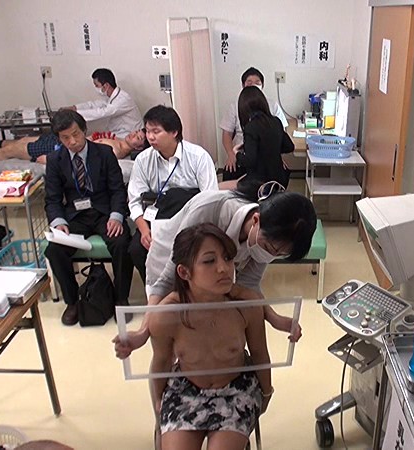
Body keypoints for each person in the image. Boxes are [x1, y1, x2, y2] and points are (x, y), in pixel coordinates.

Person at [113, 179, 316, 357]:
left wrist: (273, 318)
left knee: (202, 341)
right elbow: (166, 280)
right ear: (256, 220)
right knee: (172, 343)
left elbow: (249, 286)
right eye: (270, 248)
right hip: (168, 257)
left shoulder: (266, 237)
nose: (270, 255)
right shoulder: (210, 210)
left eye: (279, 254)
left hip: (205, 283)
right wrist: (142, 332)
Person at [151, 223, 271, 450]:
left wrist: (266, 391)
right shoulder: (168, 314)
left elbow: (259, 352)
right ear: (184, 272)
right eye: (209, 261)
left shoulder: (246, 305)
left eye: (227, 259)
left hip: (236, 389)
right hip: (185, 389)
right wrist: (158, 402)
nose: (224, 268)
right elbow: (161, 361)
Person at [43, 110, 134, 326]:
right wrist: (59, 223)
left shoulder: (104, 153)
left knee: (122, 242)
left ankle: (121, 299)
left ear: (84, 130)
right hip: (75, 216)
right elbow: (52, 199)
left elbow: (117, 190)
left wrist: (116, 216)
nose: (72, 141)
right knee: (54, 250)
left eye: (75, 134)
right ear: (59, 139)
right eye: (65, 138)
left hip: (104, 212)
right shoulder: (55, 160)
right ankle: (72, 301)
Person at [128, 105, 218, 284]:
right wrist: (144, 231)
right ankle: (156, 290)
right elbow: (135, 201)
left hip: (190, 220)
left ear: (174, 132)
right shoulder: (143, 159)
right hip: (155, 219)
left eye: (156, 131)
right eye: (147, 131)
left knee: (190, 249)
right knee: (136, 249)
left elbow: (210, 199)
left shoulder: (198, 156)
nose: (150, 137)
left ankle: (188, 290)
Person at [220, 67, 289, 182]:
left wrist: (276, 156)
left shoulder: (273, 105)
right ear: (243, 86)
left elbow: (281, 133)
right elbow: (226, 134)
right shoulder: (234, 106)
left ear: (262, 86)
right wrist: (231, 154)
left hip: (265, 155)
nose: (253, 86)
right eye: (249, 82)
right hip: (242, 153)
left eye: (257, 83)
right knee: (229, 174)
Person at [0, 128, 148, 163]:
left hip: (61, 148)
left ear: (138, 148)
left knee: (11, 152)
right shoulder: (117, 139)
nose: (133, 135)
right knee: (23, 141)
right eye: (137, 132)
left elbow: (84, 155)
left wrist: (50, 160)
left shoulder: (115, 151)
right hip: (64, 140)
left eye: (138, 138)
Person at [61, 68, 143, 139]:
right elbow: (96, 104)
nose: (96, 88)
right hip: (119, 132)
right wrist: (75, 108)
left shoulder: (123, 100)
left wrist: (75, 114)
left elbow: (102, 112)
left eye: (97, 85)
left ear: (106, 85)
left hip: (131, 135)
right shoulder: (112, 96)